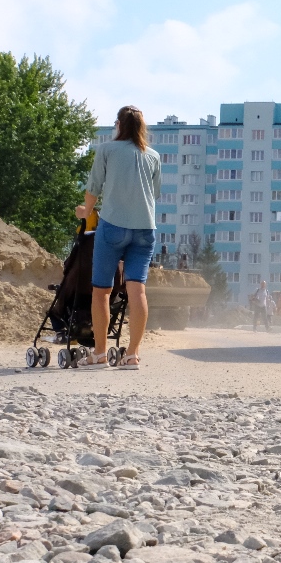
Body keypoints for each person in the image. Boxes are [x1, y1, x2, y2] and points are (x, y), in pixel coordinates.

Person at [76, 105, 160, 369]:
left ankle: (100, 354)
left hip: (112, 226)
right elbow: (154, 194)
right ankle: (132, 354)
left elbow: (93, 187)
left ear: (119, 125)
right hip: (145, 229)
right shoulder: (154, 156)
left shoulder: (107, 150)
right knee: (137, 291)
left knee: (101, 291)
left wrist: (85, 211)